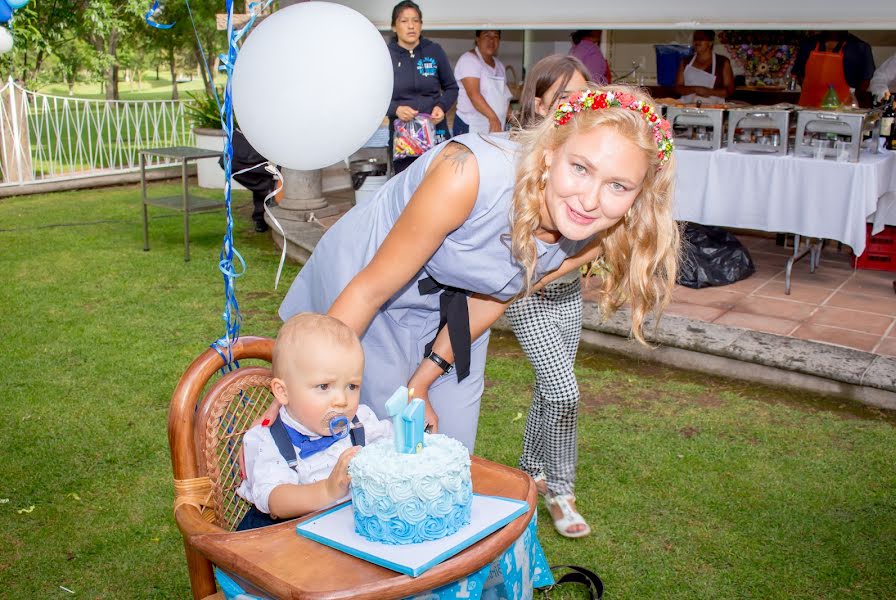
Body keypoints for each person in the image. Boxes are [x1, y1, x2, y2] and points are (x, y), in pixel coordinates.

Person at [278, 83, 679, 455]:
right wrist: (304, 400)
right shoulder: (466, 172)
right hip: (369, 287)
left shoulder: (598, 233)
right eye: (580, 168)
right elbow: (369, 290)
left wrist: (421, 382)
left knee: (450, 449)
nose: (590, 200)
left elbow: (493, 296)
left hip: (454, 307)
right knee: (366, 443)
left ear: (640, 193)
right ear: (551, 152)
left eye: (618, 186)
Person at [504, 55, 595, 538]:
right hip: (528, 293)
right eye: (563, 98)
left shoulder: (590, 152)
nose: (574, 106)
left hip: (569, 293)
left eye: (581, 96)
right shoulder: (521, 157)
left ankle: (528, 471)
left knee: (549, 388)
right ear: (539, 103)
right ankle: (561, 492)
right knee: (564, 391)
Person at [236, 313, 392, 530]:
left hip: (347, 530)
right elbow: (275, 501)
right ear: (282, 392)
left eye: (352, 386)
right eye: (324, 387)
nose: (342, 400)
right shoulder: (268, 441)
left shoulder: (361, 422)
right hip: (286, 539)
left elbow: (391, 452)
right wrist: (327, 490)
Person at [387, 1, 459, 174]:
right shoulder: (385, 55)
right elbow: (373, 97)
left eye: (416, 20)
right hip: (403, 137)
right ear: (394, 27)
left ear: (421, 24)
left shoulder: (434, 51)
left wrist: (441, 107)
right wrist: (395, 109)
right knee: (406, 187)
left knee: (438, 181)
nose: (411, 26)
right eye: (404, 21)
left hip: (436, 130)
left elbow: (451, 88)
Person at [452, 30, 514, 135]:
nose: (491, 40)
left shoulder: (499, 65)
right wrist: (493, 118)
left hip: (495, 126)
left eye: (496, 36)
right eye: (487, 36)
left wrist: (517, 121)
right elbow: (474, 95)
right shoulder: (468, 60)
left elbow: (504, 99)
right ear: (477, 39)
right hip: (471, 125)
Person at [792, 31, 875, 108]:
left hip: (842, 110)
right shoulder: (808, 44)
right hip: (807, 107)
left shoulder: (859, 47)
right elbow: (799, 74)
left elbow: (866, 81)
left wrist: (851, 100)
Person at [220, 129, 277, 233]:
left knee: (264, 168)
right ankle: (266, 190)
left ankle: (261, 214)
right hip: (247, 132)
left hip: (268, 134)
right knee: (227, 162)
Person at [674, 30, 734, 105]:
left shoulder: (722, 62)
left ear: (710, 43)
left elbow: (729, 90)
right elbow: (678, 88)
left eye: (701, 39)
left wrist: (709, 92)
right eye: (695, 39)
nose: (697, 42)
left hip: (714, 109)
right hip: (687, 107)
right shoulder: (685, 62)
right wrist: (695, 89)